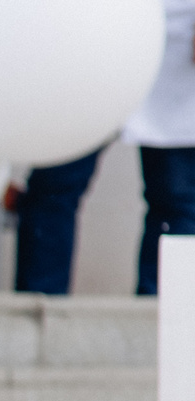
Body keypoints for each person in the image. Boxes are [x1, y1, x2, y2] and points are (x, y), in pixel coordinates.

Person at [16, 0, 195, 296]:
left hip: (175, 45)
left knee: (178, 206)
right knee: (53, 188)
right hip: (91, 41)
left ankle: (162, 327)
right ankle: (39, 318)